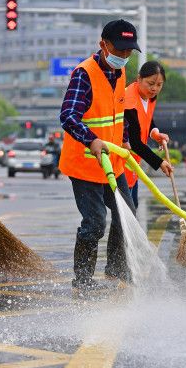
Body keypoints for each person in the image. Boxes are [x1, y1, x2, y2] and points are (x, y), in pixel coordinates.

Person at [59, 19, 139, 291]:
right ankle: (81, 281)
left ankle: (116, 272)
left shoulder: (121, 73)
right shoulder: (84, 73)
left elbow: (119, 114)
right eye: (120, 50)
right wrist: (90, 139)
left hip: (113, 163)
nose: (124, 56)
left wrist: (125, 140)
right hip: (85, 164)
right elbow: (68, 115)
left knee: (126, 214)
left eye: (129, 52)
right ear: (103, 44)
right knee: (94, 223)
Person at [123, 60, 173, 208]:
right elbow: (135, 142)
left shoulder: (149, 97)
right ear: (139, 79)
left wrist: (155, 133)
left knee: (132, 206)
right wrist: (159, 162)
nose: (155, 89)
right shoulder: (129, 102)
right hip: (120, 164)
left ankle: (121, 232)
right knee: (127, 210)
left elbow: (147, 119)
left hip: (132, 166)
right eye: (150, 83)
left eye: (159, 85)